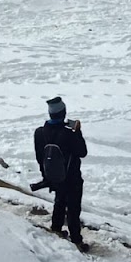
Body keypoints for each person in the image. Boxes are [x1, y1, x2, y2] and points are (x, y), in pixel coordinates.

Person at [34, 96, 88, 249]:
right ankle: (76, 240)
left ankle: (56, 229)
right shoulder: (69, 134)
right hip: (72, 178)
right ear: (64, 113)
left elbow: (40, 156)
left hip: (54, 176)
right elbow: (82, 152)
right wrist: (77, 132)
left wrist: (46, 174)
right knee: (73, 208)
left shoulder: (40, 132)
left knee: (59, 202)